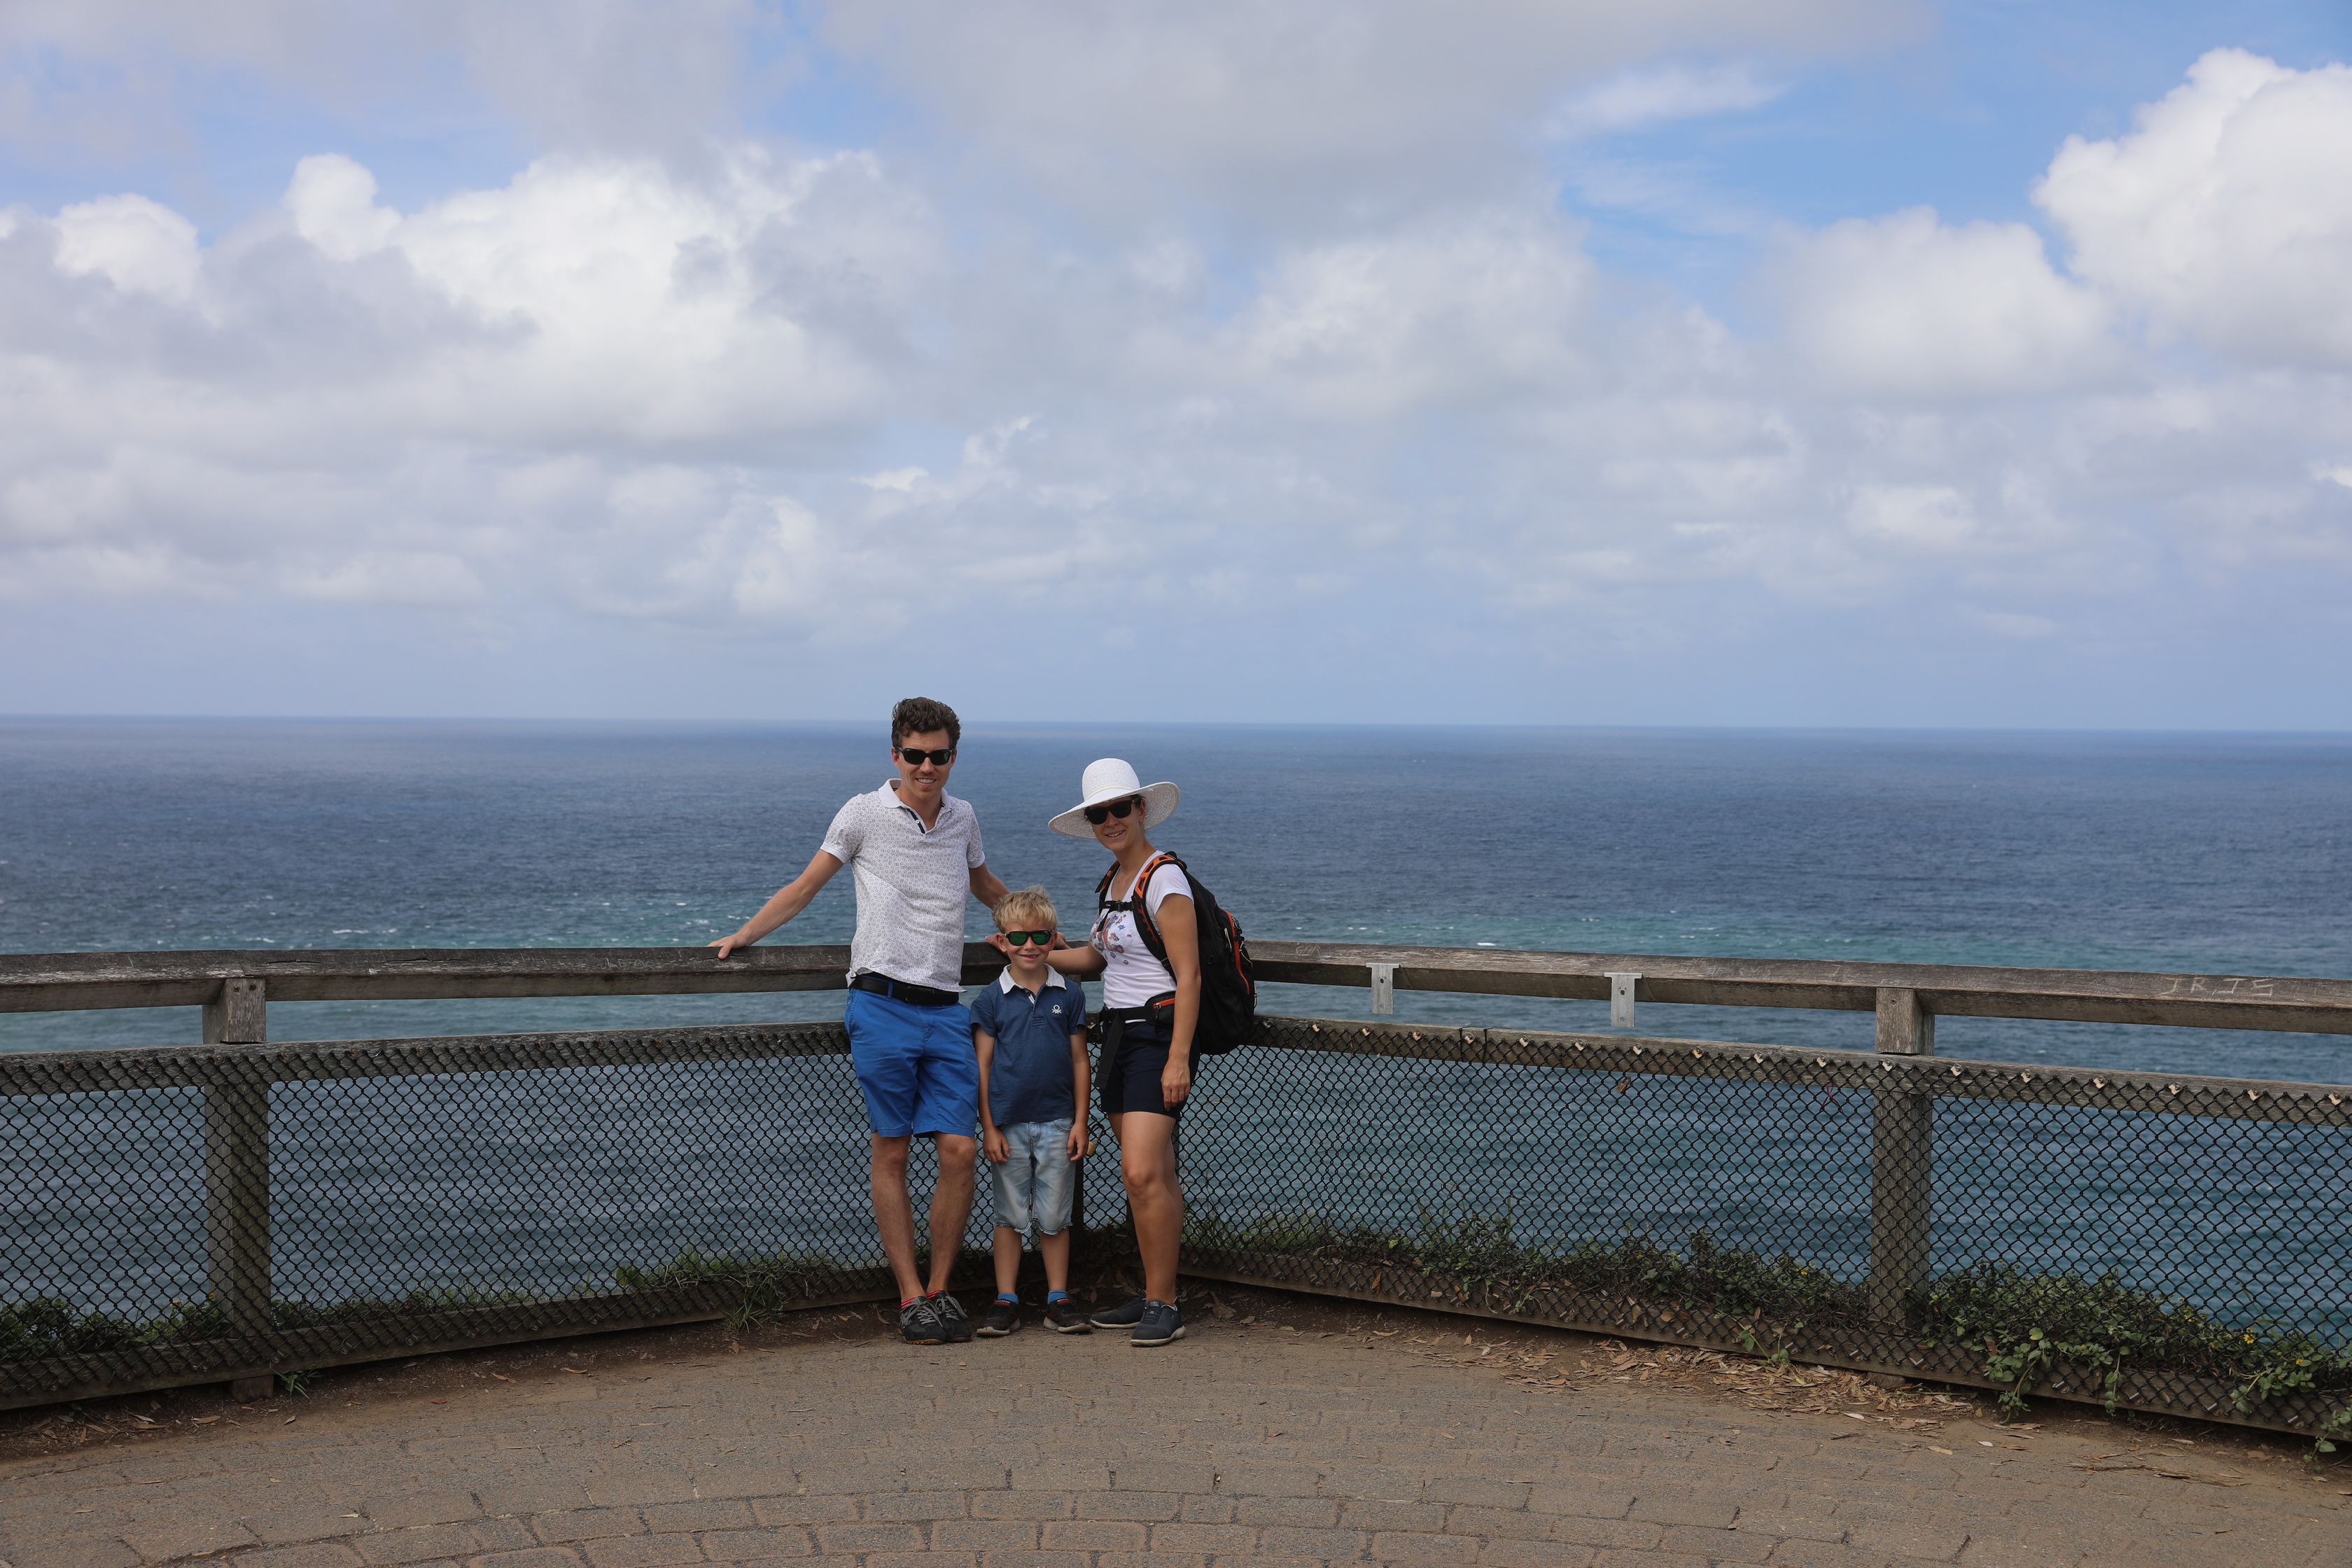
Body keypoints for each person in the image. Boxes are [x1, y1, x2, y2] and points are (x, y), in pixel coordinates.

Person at [709, 697, 1007, 1347]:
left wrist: (1033, 926)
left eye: (940, 756)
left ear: (954, 757)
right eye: (915, 755)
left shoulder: (964, 819)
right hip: (880, 1005)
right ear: (895, 755)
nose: (927, 767)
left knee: (959, 1154)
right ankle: (910, 1298)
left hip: (945, 1009)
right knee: (892, 1151)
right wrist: (745, 934)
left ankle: (941, 1289)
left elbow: (985, 887)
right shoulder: (863, 812)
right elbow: (806, 885)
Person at [1044, 758, 1197, 1348]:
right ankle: (1155, 1293)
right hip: (1120, 1036)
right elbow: (1098, 962)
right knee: (1151, 1175)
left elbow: (1189, 976)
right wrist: (1037, 953)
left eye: (1118, 809)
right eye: (1098, 813)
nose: (1109, 820)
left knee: (1140, 1172)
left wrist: (1179, 1056)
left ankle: (1166, 1302)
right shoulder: (1112, 883)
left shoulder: (1165, 879)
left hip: (1159, 1035)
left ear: (1140, 809)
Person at [967, 886, 1094, 1336]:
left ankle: (1058, 1298)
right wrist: (989, 1128)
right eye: (1018, 937)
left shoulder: (1070, 995)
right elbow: (982, 1068)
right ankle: (1006, 1299)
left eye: (1040, 936)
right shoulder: (990, 1000)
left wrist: (1081, 1122)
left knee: (1056, 1215)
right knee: (1010, 1215)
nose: (1029, 946)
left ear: (1053, 938)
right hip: (1008, 1123)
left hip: (1060, 1121)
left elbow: (1081, 1061)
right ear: (1001, 941)